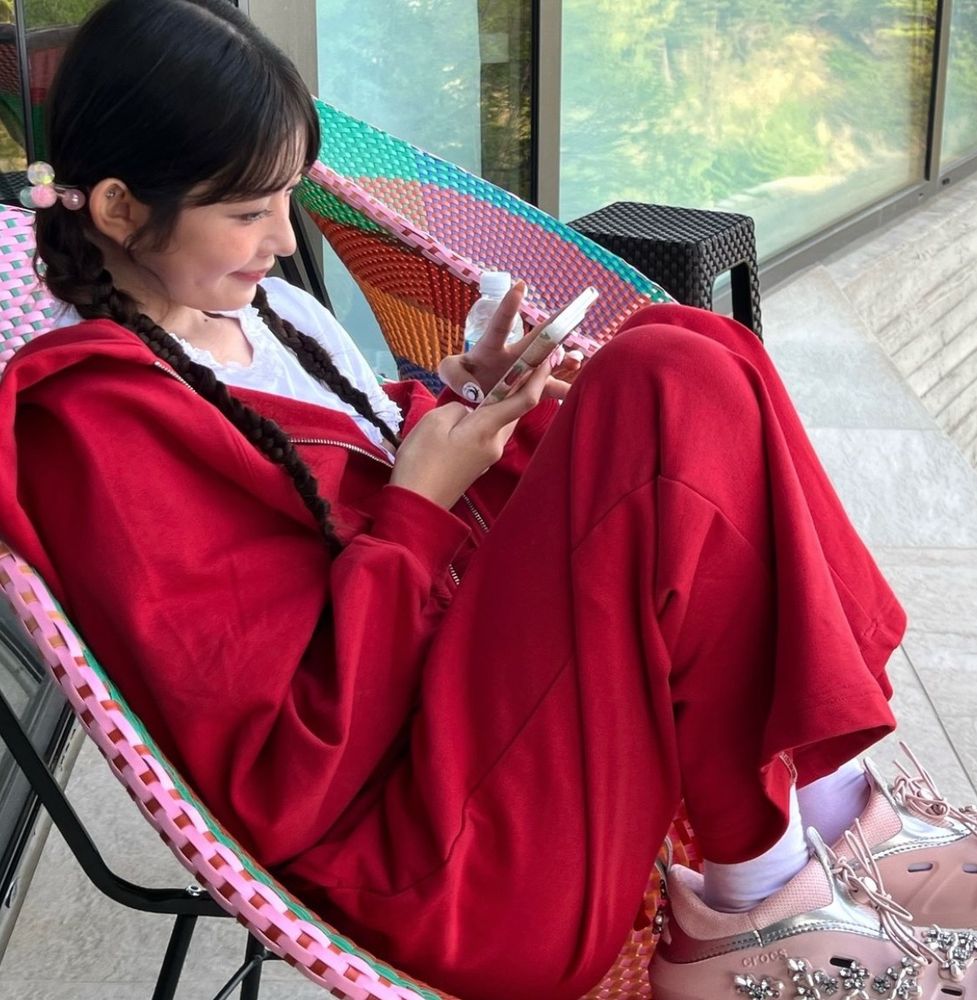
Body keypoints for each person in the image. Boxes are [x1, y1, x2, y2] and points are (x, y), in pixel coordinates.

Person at [0, 1, 974, 997]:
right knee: (661, 386)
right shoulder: (94, 430)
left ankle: (826, 812)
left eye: (287, 195)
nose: (283, 238)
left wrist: (464, 400)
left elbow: (335, 464)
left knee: (684, 349)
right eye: (248, 212)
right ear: (119, 209)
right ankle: (758, 891)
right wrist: (418, 505)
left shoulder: (264, 311)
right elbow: (289, 777)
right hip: (434, 856)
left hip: (461, 714)